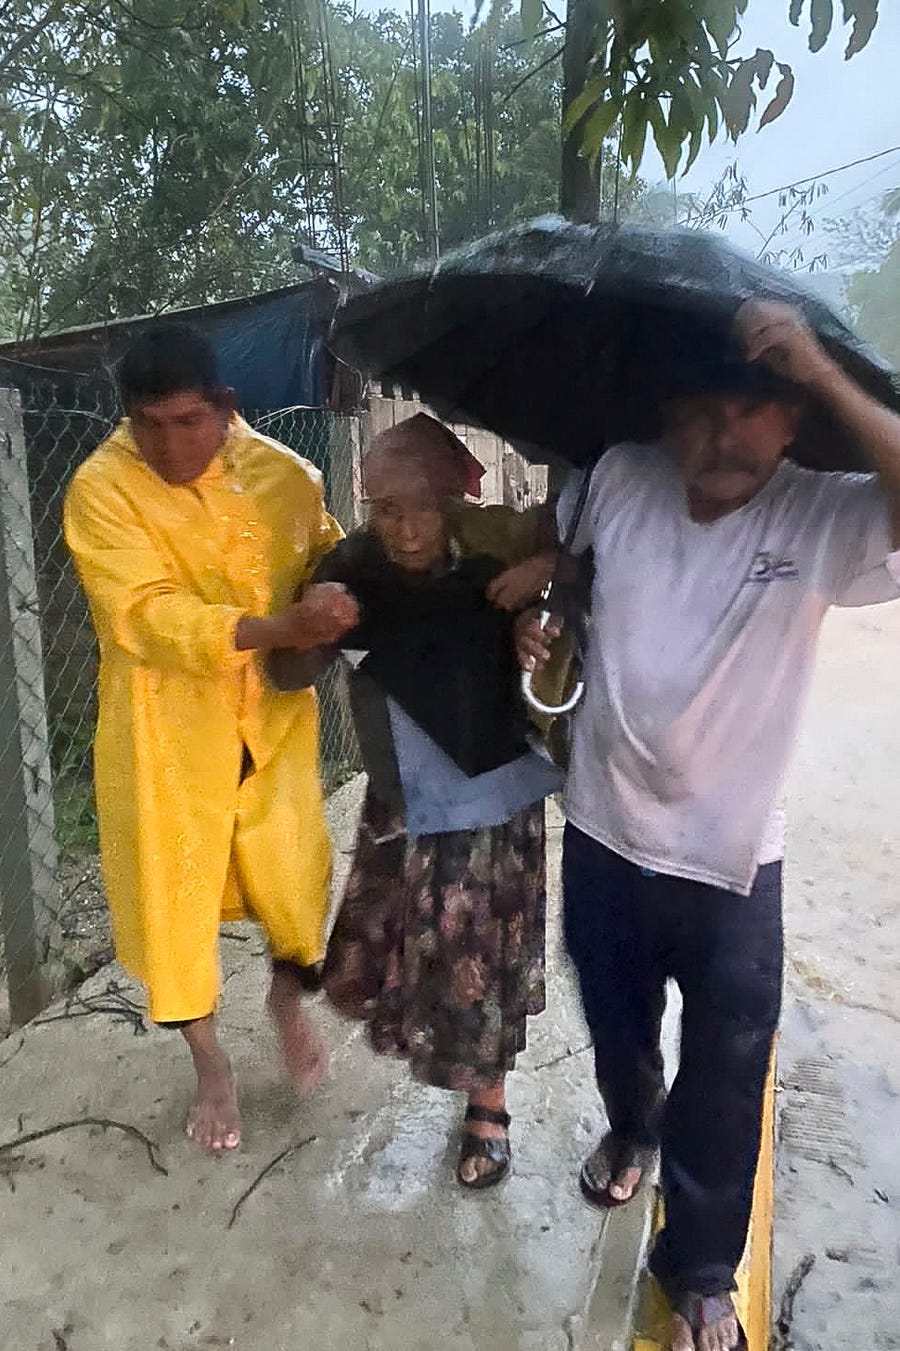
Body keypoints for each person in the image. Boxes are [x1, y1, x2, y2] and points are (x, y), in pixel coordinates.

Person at [518, 300, 900, 1351]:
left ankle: (699, 1270)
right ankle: (632, 1126)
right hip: (602, 829)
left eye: (754, 408)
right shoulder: (616, 477)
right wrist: (545, 612)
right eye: (701, 409)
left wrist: (822, 369)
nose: (723, 434)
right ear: (667, 413)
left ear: (790, 421)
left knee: (728, 1069)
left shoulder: (826, 514)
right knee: (618, 1023)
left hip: (735, 861)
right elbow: (573, 570)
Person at [63, 325, 360, 1154]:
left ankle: (286, 999)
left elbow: (329, 556)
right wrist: (278, 624)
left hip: (271, 724)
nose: (166, 443)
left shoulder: (285, 476)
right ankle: (211, 1066)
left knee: (295, 879)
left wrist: (334, 602)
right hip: (165, 735)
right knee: (174, 902)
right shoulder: (101, 489)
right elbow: (142, 615)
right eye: (146, 423)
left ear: (226, 407)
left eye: (187, 421)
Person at [268, 413, 562, 1188]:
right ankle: (429, 1054)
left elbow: (582, 589)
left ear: (453, 496)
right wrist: (307, 627)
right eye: (383, 507)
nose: (400, 527)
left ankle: (487, 1107)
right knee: (397, 951)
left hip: (495, 793)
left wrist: (536, 617)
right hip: (403, 796)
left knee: (481, 960)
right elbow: (288, 677)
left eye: (418, 505)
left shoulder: (498, 546)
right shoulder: (353, 566)